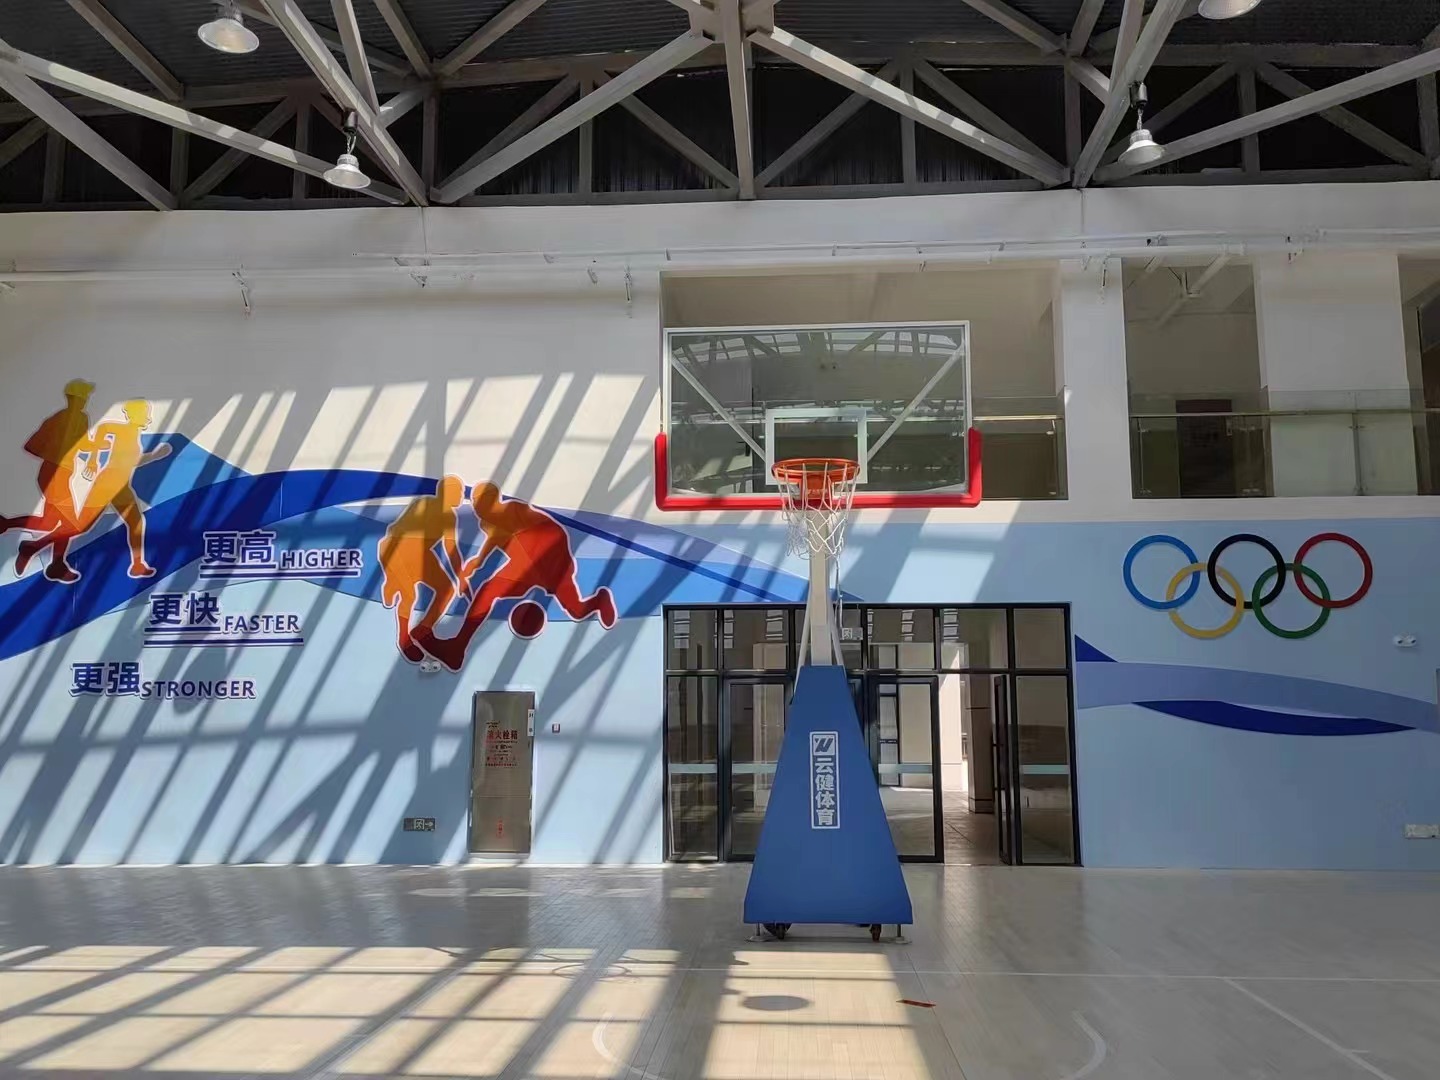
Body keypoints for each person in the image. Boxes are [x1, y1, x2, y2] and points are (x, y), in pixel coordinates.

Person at [415, 482, 616, 672]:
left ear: (493, 500)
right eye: (475, 504)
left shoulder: (511, 510)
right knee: (488, 592)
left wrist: (476, 565)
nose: (477, 509)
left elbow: (503, 538)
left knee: (576, 610)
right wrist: (475, 565)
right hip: (528, 563)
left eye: (479, 503)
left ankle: (599, 600)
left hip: (552, 558)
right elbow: (493, 544)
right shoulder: (493, 521)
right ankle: (458, 648)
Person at [18, 399, 172, 582]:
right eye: (145, 412)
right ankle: (33, 547)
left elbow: (128, 460)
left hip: (120, 486)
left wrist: (154, 456)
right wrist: (93, 459)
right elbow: (106, 432)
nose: (148, 416)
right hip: (108, 484)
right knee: (80, 527)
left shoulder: (131, 433)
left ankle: (137, 565)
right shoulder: (124, 430)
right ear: (135, 415)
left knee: (135, 523)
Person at [1, 379, 94, 581]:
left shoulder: (60, 418)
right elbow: (82, 444)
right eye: (82, 397)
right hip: (55, 474)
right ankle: (43, 556)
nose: (85, 400)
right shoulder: (77, 418)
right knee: (73, 524)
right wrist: (59, 455)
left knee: (48, 523)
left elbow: (33, 445)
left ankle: (7, 525)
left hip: (53, 473)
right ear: (74, 398)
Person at [379, 475, 469, 663]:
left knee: (447, 589)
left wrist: (461, 578)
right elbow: (397, 532)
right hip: (396, 548)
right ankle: (404, 639)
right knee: (409, 595)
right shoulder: (424, 504)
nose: (461, 495)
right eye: (458, 491)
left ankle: (423, 629)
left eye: (462, 492)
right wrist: (397, 572)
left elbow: (451, 550)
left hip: (422, 553)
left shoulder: (450, 517)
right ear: (445, 492)